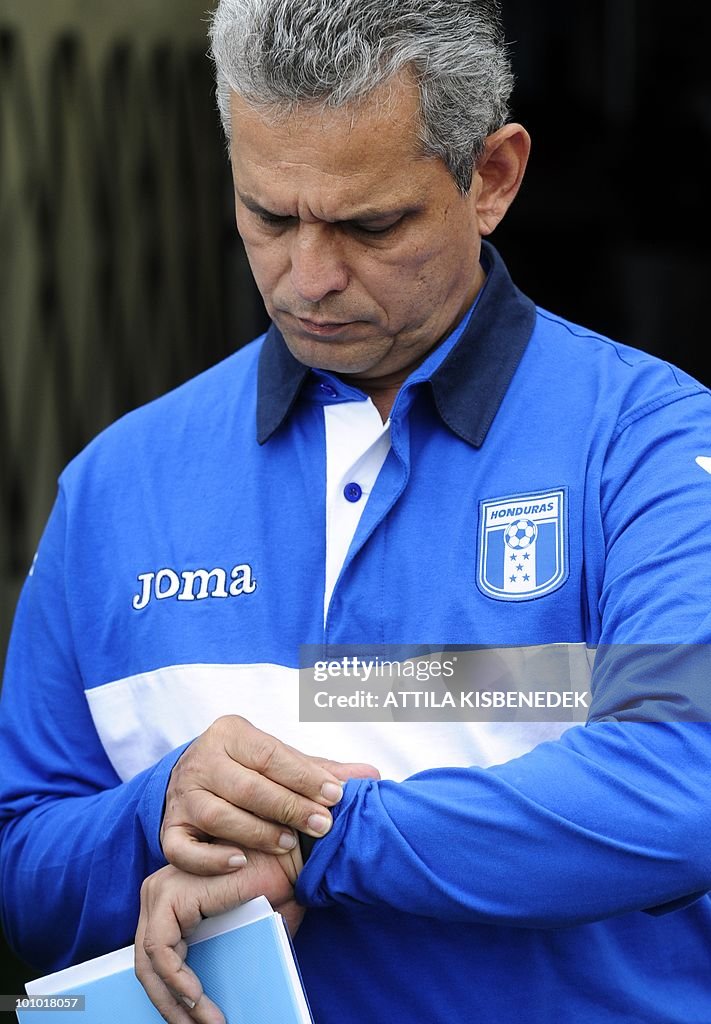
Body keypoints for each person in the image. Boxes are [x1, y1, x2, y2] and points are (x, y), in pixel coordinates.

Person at [2, 1, 711, 1022]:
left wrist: (314, 839)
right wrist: (160, 816)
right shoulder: (116, 486)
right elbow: (23, 863)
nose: (309, 278)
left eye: (369, 224)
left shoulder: (645, 446)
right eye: (268, 216)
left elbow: (681, 790)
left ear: (492, 179)